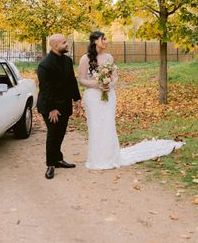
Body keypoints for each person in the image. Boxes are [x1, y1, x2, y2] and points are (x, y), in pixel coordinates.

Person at [78, 31, 183, 170]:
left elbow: (115, 76)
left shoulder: (109, 57)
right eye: (103, 39)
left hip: (108, 95)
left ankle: (110, 157)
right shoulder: (85, 59)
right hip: (92, 97)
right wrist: (97, 85)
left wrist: (109, 85)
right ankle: (96, 159)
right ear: (95, 41)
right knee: (95, 126)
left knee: (108, 125)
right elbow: (81, 80)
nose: (106, 41)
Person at [37, 34, 81, 179]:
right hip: (50, 107)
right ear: (55, 46)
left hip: (64, 104)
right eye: (64, 43)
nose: (67, 44)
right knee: (53, 134)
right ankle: (50, 164)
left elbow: (72, 81)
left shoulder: (67, 61)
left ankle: (58, 159)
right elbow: (45, 89)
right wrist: (52, 109)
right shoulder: (44, 65)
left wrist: (77, 99)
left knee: (60, 133)